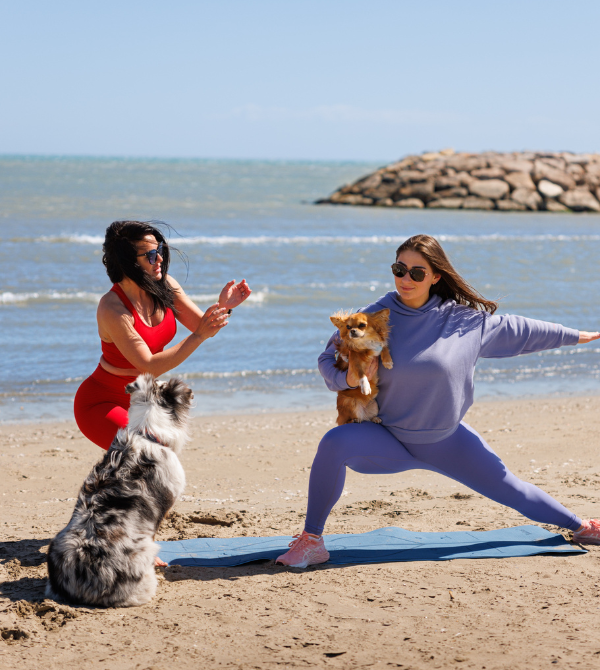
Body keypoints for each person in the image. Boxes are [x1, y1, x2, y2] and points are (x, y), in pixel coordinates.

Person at [276, 233, 600, 567]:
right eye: (399, 269)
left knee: (513, 490)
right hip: (388, 439)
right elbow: (327, 359)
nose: (406, 278)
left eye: (417, 272)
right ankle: (312, 540)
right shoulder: (371, 317)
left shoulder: (464, 321)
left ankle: (583, 526)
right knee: (334, 441)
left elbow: (520, 330)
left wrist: (577, 336)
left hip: (447, 440)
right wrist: (346, 379)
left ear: (435, 277)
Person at [74, 220, 252, 451]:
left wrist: (223, 307)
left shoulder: (165, 286)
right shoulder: (112, 307)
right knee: (145, 452)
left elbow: (203, 326)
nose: (159, 259)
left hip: (143, 397)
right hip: (102, 402)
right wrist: (198, 335)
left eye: (160, 251)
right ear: (128, 262)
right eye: (150, 255)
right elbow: (148, 366)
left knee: (155, 457)